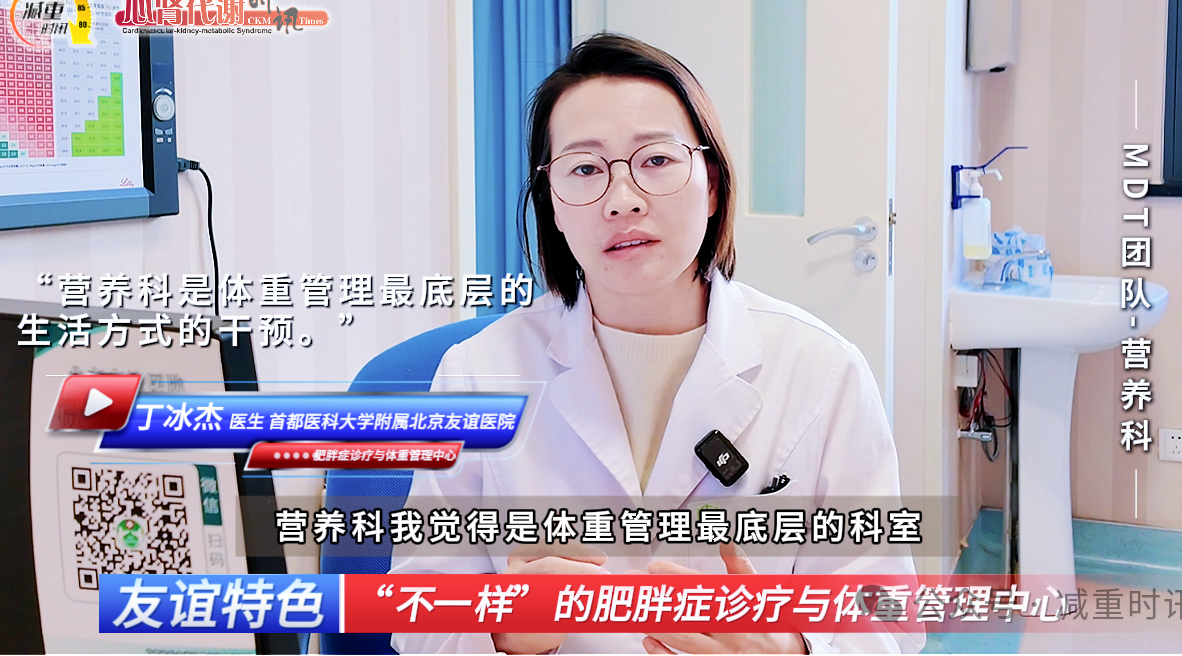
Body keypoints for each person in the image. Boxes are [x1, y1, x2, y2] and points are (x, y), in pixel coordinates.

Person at [389, 33, 922, 654]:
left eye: (657, 161)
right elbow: (419, 613)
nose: (622, 201)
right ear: (553, 206)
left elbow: (887, 620)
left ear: (712, 183)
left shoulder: (822, 370)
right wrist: (502, 632)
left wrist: (796, 649)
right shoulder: (479, 372)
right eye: (584, 169)